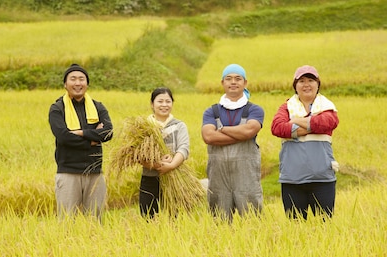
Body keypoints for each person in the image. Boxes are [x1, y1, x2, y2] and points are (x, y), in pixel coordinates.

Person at [271, 65, 339, 220]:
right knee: (296, 228)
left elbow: (329, 122)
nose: (306, 84)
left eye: (310, 80)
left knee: (324, 226)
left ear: (318, 84)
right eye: (301, 81)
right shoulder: (286, 107)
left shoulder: (327, 107)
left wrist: (295, 121)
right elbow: (277, 127)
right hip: (292, 178)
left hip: (322, 178)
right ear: (295, 85)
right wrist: (311, 126)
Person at [49, 63, 113, 221]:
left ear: (87, 83)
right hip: (68, 172)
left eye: (81, 79)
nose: (77, 83)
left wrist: (81, 133)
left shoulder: (98, 107)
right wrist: (93, 140)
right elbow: (63, 137)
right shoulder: (58, 109)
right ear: (65, 84)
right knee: (67, 222)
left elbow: (108, 132)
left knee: (95, 221)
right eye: (73, 79)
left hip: (95, 173)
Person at [201, 64, 264, 221]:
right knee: (219, 221)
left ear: (245, 83)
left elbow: (250, 131)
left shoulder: (254, 110)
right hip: (218, 176)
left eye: (238, 78)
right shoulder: (212, 111)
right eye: (228, 79)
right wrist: (240, 133)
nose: (233, 82)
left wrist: (222, 130)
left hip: (246, 175)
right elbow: (208, 136)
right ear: (222, 83)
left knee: (252, 219)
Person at [139, 87, 190, 218]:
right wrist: (158, 164)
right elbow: (138, 155)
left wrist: (172, 165)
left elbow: (184, 148)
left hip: (174, 177)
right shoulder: (143, 127)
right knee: (148, 220)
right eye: (160, 101)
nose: (164, 105)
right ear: (152, 104)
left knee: (173, 220)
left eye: (168, 101)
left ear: (172, 103)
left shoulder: (179, 125)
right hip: (149, 178)